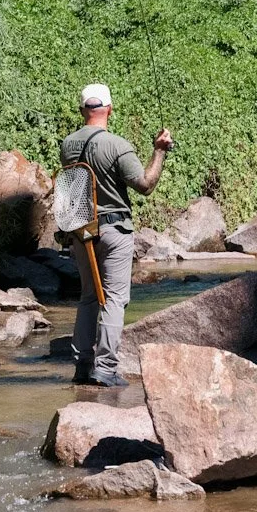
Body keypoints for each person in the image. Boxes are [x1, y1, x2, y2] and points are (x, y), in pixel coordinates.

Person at [60, 83, 173, 387]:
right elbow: (145, 185)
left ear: (83, 110)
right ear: (109, 108)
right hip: (114, 230)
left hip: (82, 231)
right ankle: (106, 368)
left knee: (87, 298)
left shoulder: (67, 145)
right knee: (114, 300)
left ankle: (82, 367)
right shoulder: (117, 145)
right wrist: (159, 151)